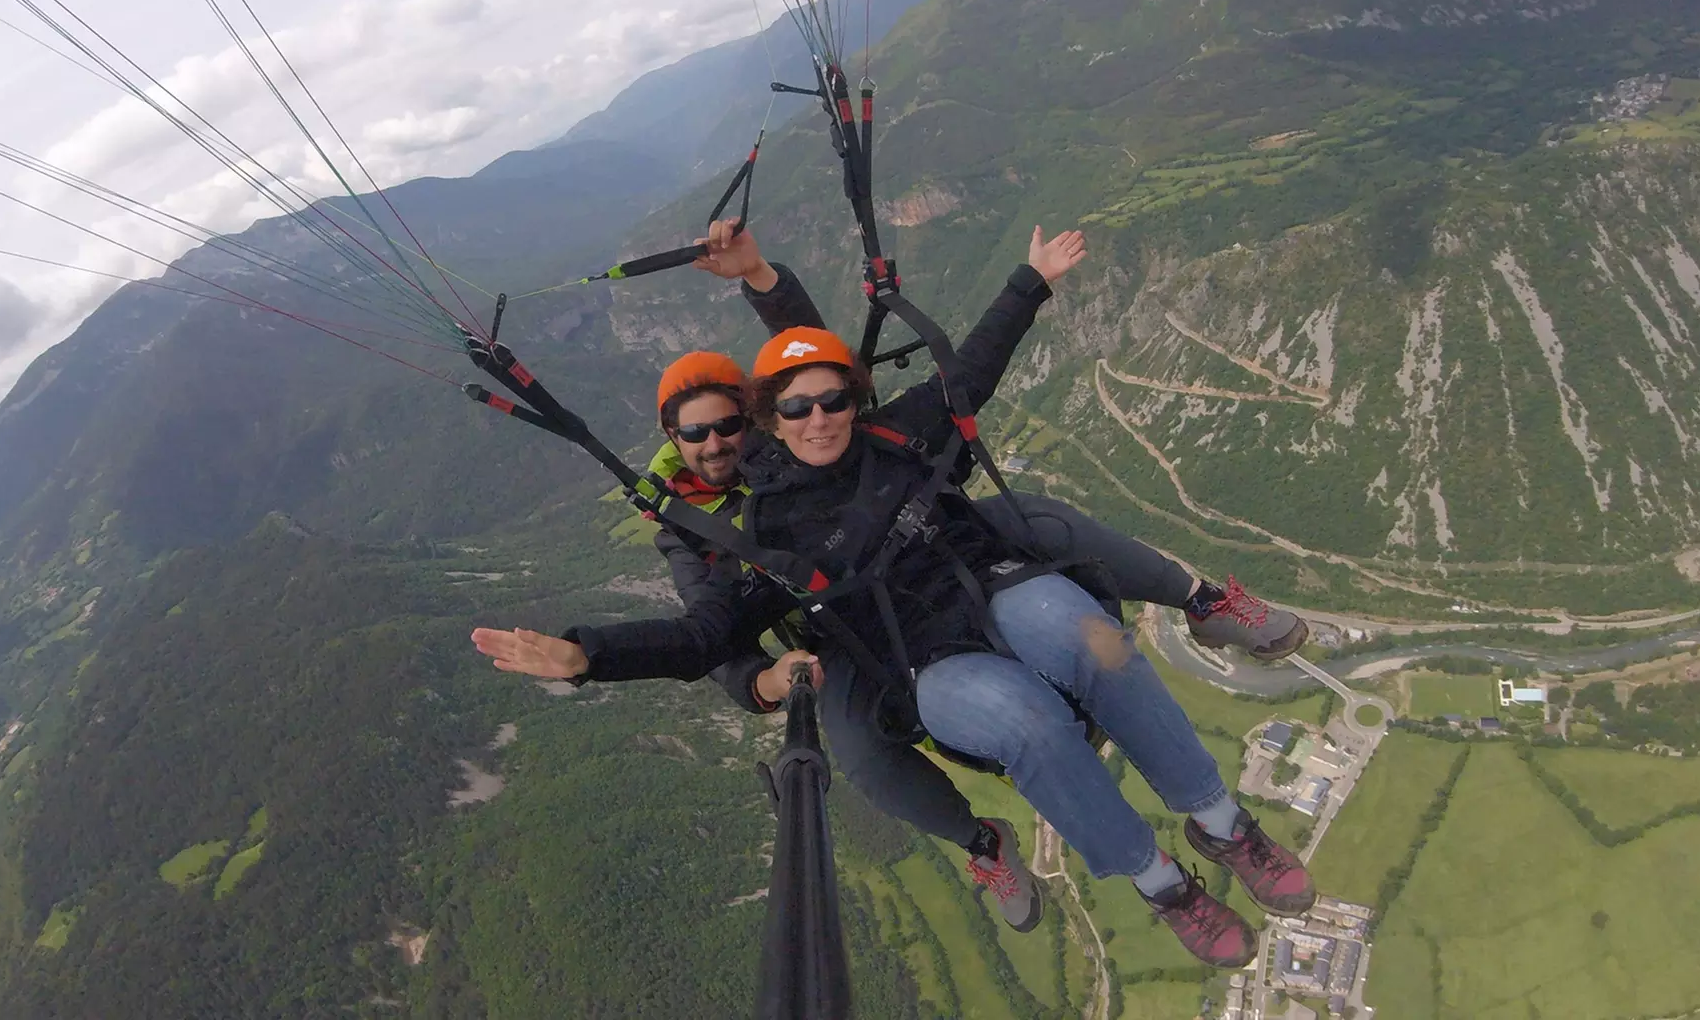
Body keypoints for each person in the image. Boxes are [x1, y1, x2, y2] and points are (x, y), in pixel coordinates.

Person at [475, 231, 1314, 968]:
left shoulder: (887, 432)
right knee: (979, 725)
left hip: (973, 584)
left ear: (757, 419)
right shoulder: (743, 531)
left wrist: (1028, 280)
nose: (722, 441)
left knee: (1089, 630)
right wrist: (594, 656)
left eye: (828, 400)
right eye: (700, 433)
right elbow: (709, 630)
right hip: (888, 648)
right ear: (696, 437)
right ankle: (1145, 881)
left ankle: (1218, 813)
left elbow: (925, 366)